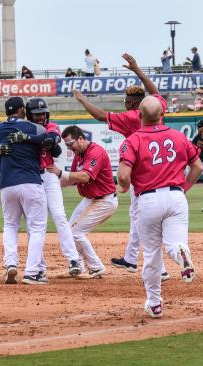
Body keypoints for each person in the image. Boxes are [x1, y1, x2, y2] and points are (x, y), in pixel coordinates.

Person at [73, 53, 171, 280]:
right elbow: (155, 92)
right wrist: (137, 69)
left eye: (126, 101)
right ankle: (130, 257)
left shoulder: (131, 117)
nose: (125, 103)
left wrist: (82, 100)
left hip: (143, 174)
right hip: (163, 172)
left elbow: (99, 116)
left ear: (131, 103)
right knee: (138, 216)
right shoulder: (156, 107)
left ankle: (161, 269)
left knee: (143, 218)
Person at [117, 96, 202, 318]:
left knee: (152, 255)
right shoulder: (178, 136)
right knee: (175, 244)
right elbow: (197, 167)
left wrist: (124, 187)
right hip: (176, 196)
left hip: (148, 199)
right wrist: (184, 187)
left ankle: (155, 303)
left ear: (139, 115)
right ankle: (180, 254)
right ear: (162, 115)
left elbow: (123, 176)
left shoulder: (132, 140)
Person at [0, 97, 56, 285]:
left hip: (7, 184)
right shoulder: (35, 128)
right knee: (36, 228)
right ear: (22, 109)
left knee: (10, 225)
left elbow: (5, 147)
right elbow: (50, 141)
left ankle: (10, 263)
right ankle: (32, 272)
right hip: (30, 181)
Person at [47, 125, 117, 278]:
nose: (69, 148)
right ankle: (77, 266)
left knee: (76, 233)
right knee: (68, 232)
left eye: (70, 143)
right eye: (66, 145)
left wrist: (59, 172)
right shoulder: (78, 155)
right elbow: (71, 180)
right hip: (91, 199)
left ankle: (96, 267)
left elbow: (84, 177)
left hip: (104, 200)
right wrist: (49, 185)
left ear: (80, 138)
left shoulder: (95, 152)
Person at [25, 97, 81, 277]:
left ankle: (74, 259)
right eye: (36, 114)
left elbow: (52, 139)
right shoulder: (26, 128)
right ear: (29, 115)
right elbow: (47, 143)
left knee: (59, 215)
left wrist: (30, 139)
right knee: (33, 223)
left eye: (43, 113)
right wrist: (39, 140)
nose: (41, 116)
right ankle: (39, 264)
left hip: (49, 175)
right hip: (32, 176)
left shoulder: (52, 126)